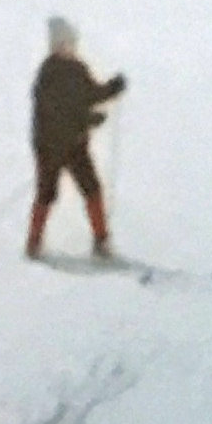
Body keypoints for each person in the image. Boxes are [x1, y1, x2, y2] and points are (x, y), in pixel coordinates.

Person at [28, 15, 126, 262]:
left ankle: (101, 241)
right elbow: (55, 112)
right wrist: (87, 120)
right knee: (47, 194)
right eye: (63, 43)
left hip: (75, 146)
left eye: (71, 42)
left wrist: (111, 89)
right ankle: (33, 243)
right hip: (50, 148)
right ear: (54, 45)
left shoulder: (78, 68)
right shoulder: (48, 73)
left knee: (92, 189)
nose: (69, 47)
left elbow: (90, 95)